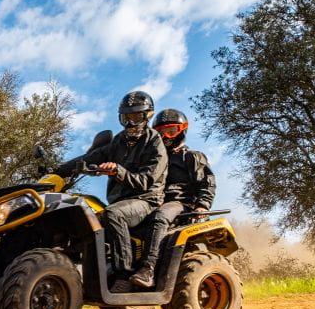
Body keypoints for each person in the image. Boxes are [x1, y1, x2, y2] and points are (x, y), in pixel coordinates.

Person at [54, 91, 168, 283]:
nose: (130, 123)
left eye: (136, 117)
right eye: (126, 118)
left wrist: (118, 171)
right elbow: (91, 158)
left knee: (113, 214)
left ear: (147, 115)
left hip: (146, 200)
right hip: (122, 200)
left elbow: (145, 182)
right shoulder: (118, 141)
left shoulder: (155, 143)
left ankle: (122, 275)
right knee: (83, 215)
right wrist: (59, 171)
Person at [129, 108, 216, 289]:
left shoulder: (192, 157)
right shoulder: (155, 160)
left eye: (171, 131)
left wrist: (202, 205)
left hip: (181, 203)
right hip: (154, 201)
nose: (166, 136)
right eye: (160, 133)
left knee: (160, 216)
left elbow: (207, 183)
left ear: (182, 130)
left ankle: (148, 268)